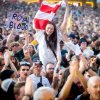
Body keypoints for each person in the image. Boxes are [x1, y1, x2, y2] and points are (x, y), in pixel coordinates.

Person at [34, 0, 69, 69]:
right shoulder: (41, 35)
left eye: (51, 29)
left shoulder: (57, 36)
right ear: (45, 28)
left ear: (54, 30)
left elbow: (65, 22)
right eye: (48, 28)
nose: (49, 30)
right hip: (42, 66)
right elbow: (35, 24)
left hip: (54, 64)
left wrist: (67, 6)